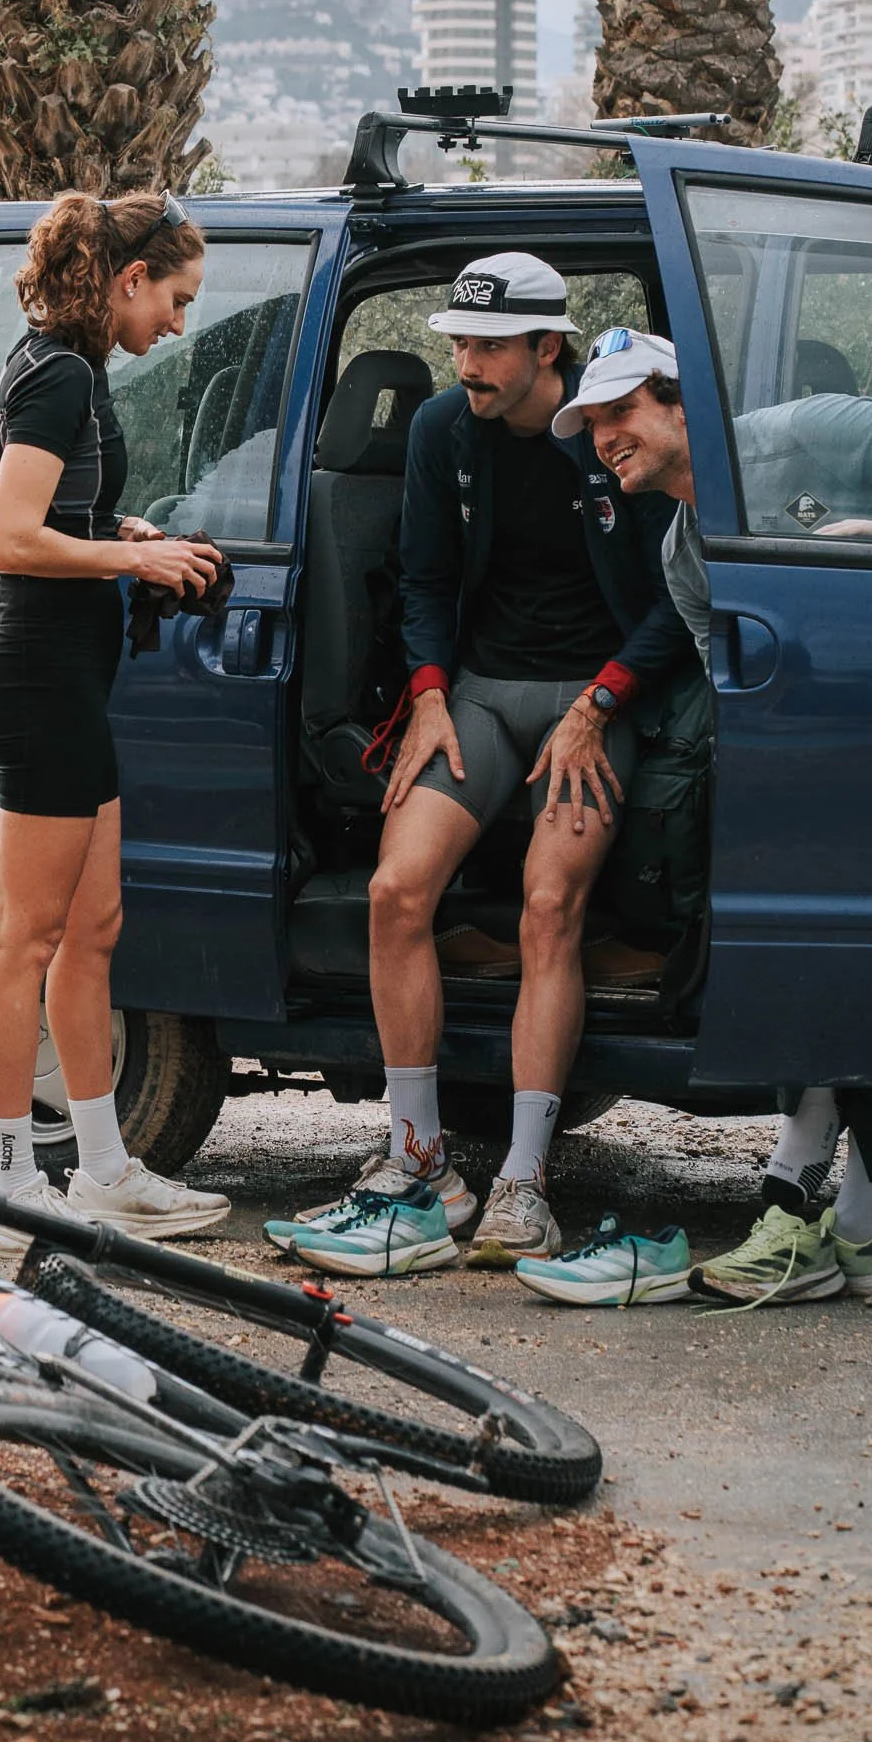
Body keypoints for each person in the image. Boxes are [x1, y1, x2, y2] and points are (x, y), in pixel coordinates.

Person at [266, 255, 692, 1277]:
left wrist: (597, 706)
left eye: (488, 345)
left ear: (547, 347)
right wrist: (421, 694)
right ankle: (417, 1158)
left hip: (597, 701)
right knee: (392, 889)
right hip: (482, 697)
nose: (464, 362)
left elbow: (672, 610)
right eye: (456, 341)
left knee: (550, 905)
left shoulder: (607, 438)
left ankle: (520, 1181)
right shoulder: (438, 431)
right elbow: (422, 577)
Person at [511, 326, 872, 1307]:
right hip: (833, 760)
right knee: (814, 960)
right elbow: (737, 681)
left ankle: (832, 1217)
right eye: (590, 422)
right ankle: (846, 1221)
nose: (602, 438)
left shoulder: (812, 433)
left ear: (680, 402)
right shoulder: (686, 546)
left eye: (619, 413)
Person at [0, 190, 233, 1259]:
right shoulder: (58, 372)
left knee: (93, 926)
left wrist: (113, 528)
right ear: (127, 280)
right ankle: (7, 1182)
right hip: (37, 674)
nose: (176, 321)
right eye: (173, 298)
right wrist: (133, 558)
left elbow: (50, 518)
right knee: (22, 935)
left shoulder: (67, 369)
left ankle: (104, 1166)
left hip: (71, 670)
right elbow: (5, 536)